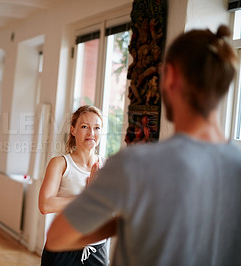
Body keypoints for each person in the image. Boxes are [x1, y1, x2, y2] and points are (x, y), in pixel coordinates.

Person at [45, 25, 241, 265]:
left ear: (170, 77)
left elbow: (57, 237)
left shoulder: (134, 164)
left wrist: (126, 220)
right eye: (85, 126)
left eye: (96, 127)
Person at [38, 105, 108, 265]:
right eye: (84, 126)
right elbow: (45, 205)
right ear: (73, 130)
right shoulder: (60, 163)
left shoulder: (108, 167)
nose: (91, 133)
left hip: (96, 250)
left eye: (97, 128)